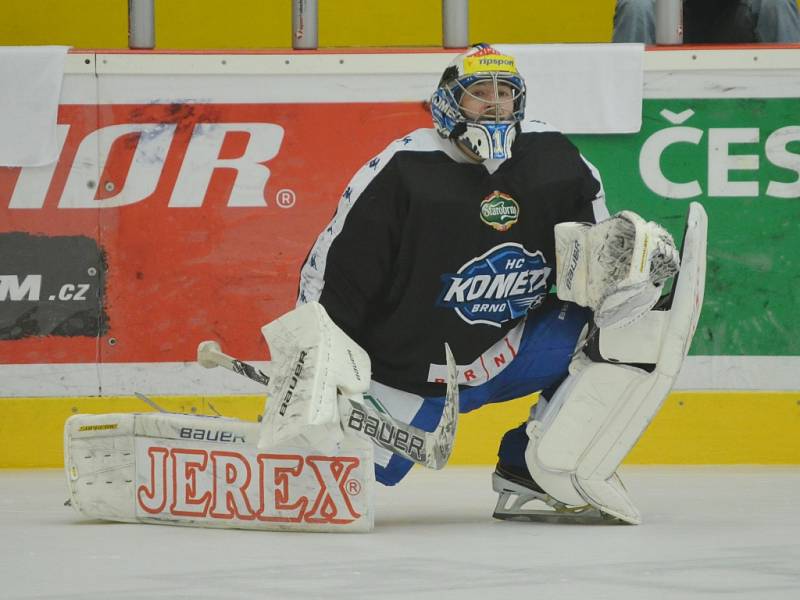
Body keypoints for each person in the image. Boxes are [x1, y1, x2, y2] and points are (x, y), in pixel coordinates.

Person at [296, 44, 686, 524]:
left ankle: (534, 467)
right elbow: (334, 277)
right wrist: (316, 369)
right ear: (448, 102)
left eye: (507, 94)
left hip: (509, 350)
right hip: (406, 371)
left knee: (627, 334)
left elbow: (598, 270)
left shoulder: (554, 159)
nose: (496, 105)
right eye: (480, 93)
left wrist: (634, 283)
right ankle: (309, 447)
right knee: (326, 478)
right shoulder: (402, 171)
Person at [613, 0, 800, 43]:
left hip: (734, 15)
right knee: (635, 6)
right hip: (670, 13)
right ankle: (623, 102)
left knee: (777, 3)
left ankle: (792, 103)